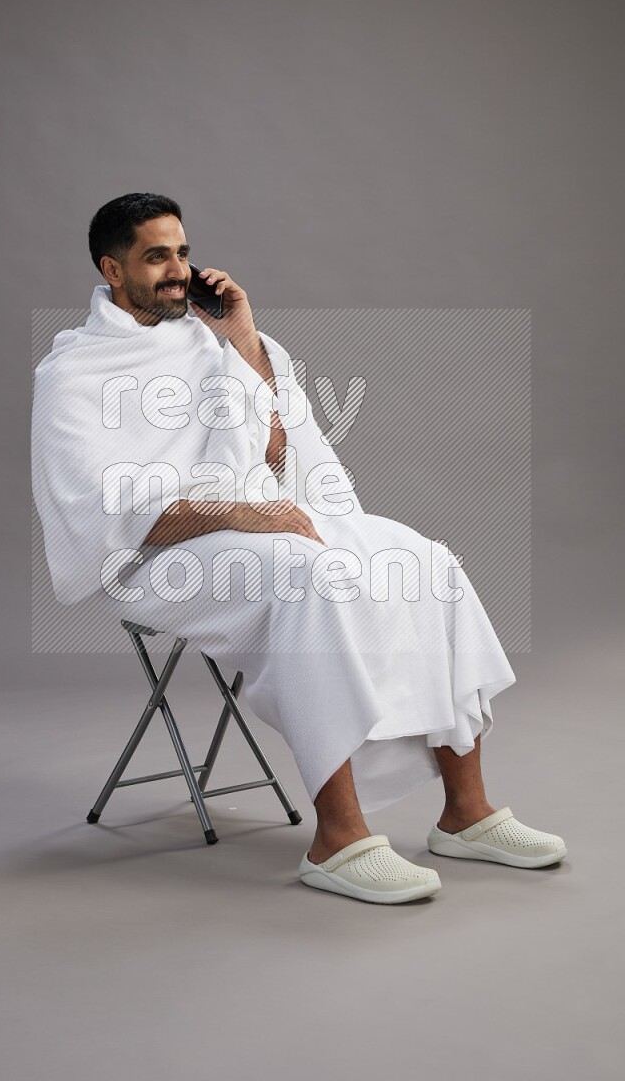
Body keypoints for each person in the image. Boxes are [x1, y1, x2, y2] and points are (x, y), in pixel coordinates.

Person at [31, 192, 567, 905]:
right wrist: (240, 512)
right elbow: (103, 512)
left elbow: (278, 453)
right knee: (307, 576)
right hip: (157, 556)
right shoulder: (74, 374)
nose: (178, 270)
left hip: (255, 520)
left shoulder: (210, 345)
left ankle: (463, 813)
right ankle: (337, 838)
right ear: (111, 267)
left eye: (183, 253)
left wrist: (245, 339)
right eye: (156, 256)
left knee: (424, 561)